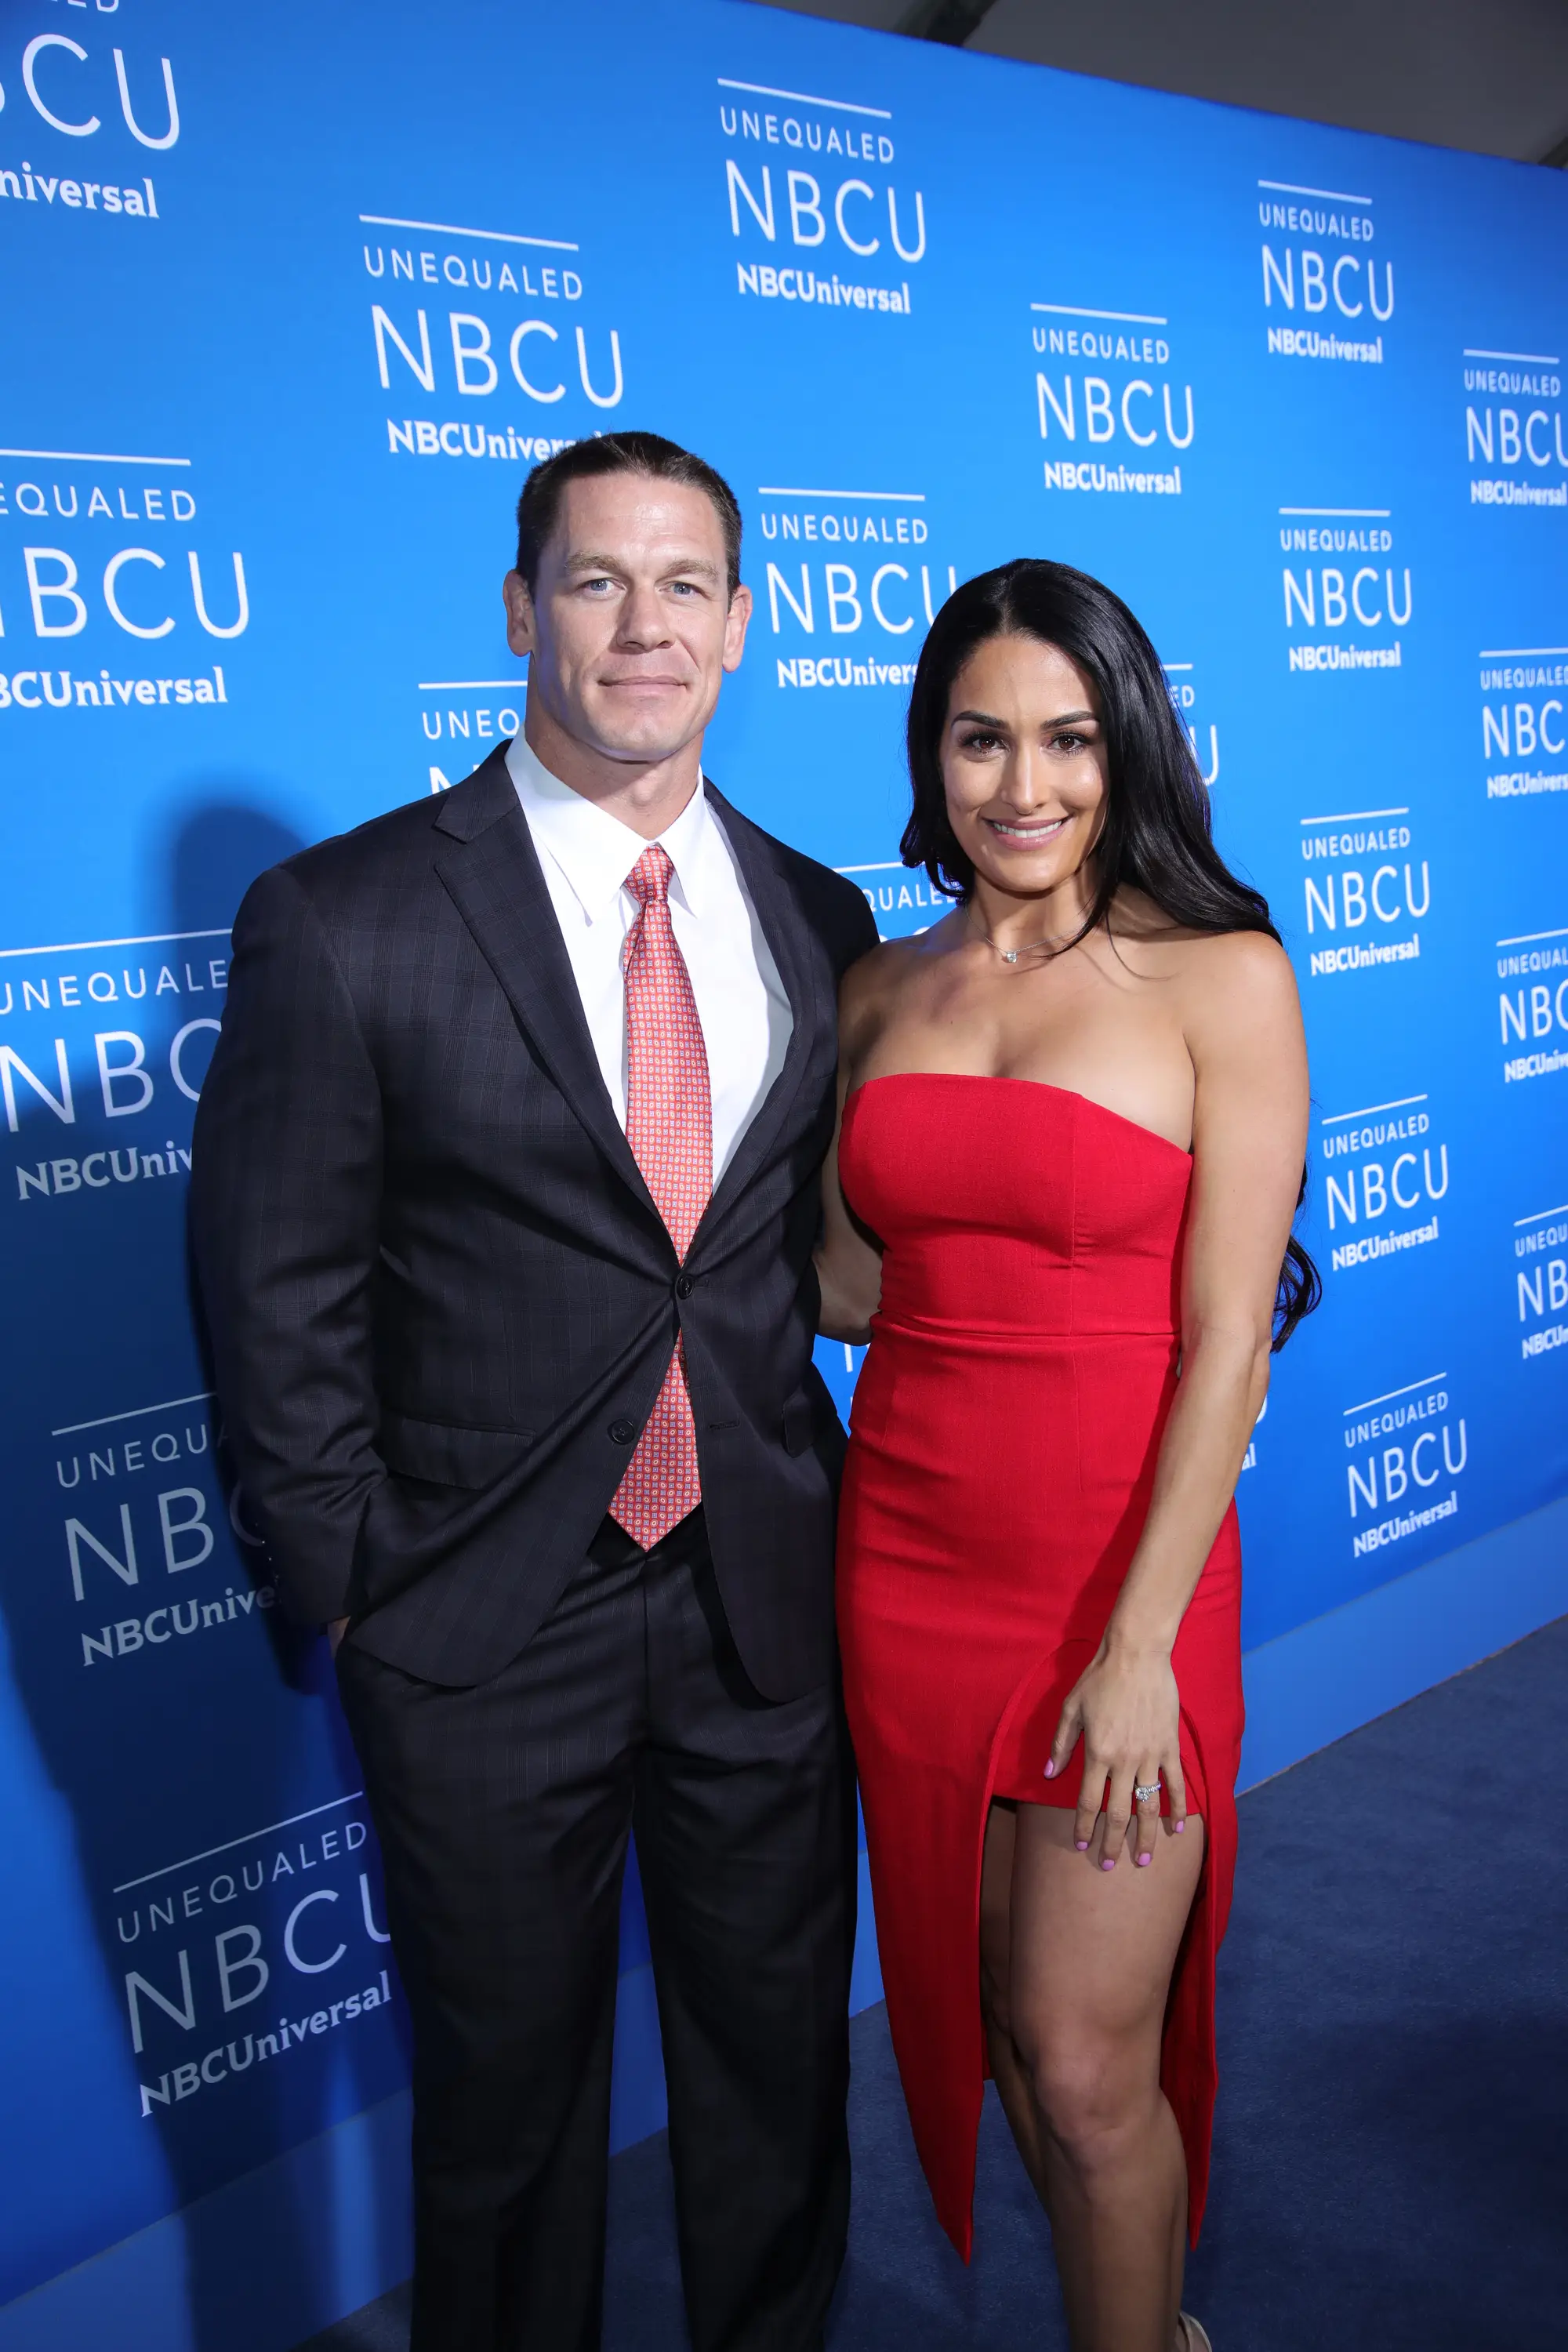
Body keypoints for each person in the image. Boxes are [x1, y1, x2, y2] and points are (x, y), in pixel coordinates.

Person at [191, 432, 877, 2352]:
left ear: (744, 624)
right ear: (519, 611)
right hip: (481, 1624)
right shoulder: (347, 918)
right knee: (505, 2129)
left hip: (761, 1597)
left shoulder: (821, 922)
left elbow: (821, 1255)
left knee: (775, 2091)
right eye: (594, 581)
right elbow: (274, 1289)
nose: (640, 626)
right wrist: (357, 1583)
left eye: (683, 586)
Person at [816, 559, 1317, 2352]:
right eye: (978, 740)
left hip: (1127, 1573)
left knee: (1093, 2060)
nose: (1019, 786)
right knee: (999, 2032)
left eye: (1066, 739)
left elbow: (1222, 1340)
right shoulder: (878, 991)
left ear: (1133, 753)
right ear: (929, 756)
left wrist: (1133, 1654)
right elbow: (846, 1285)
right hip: (905, 1564)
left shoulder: (1220, 978)